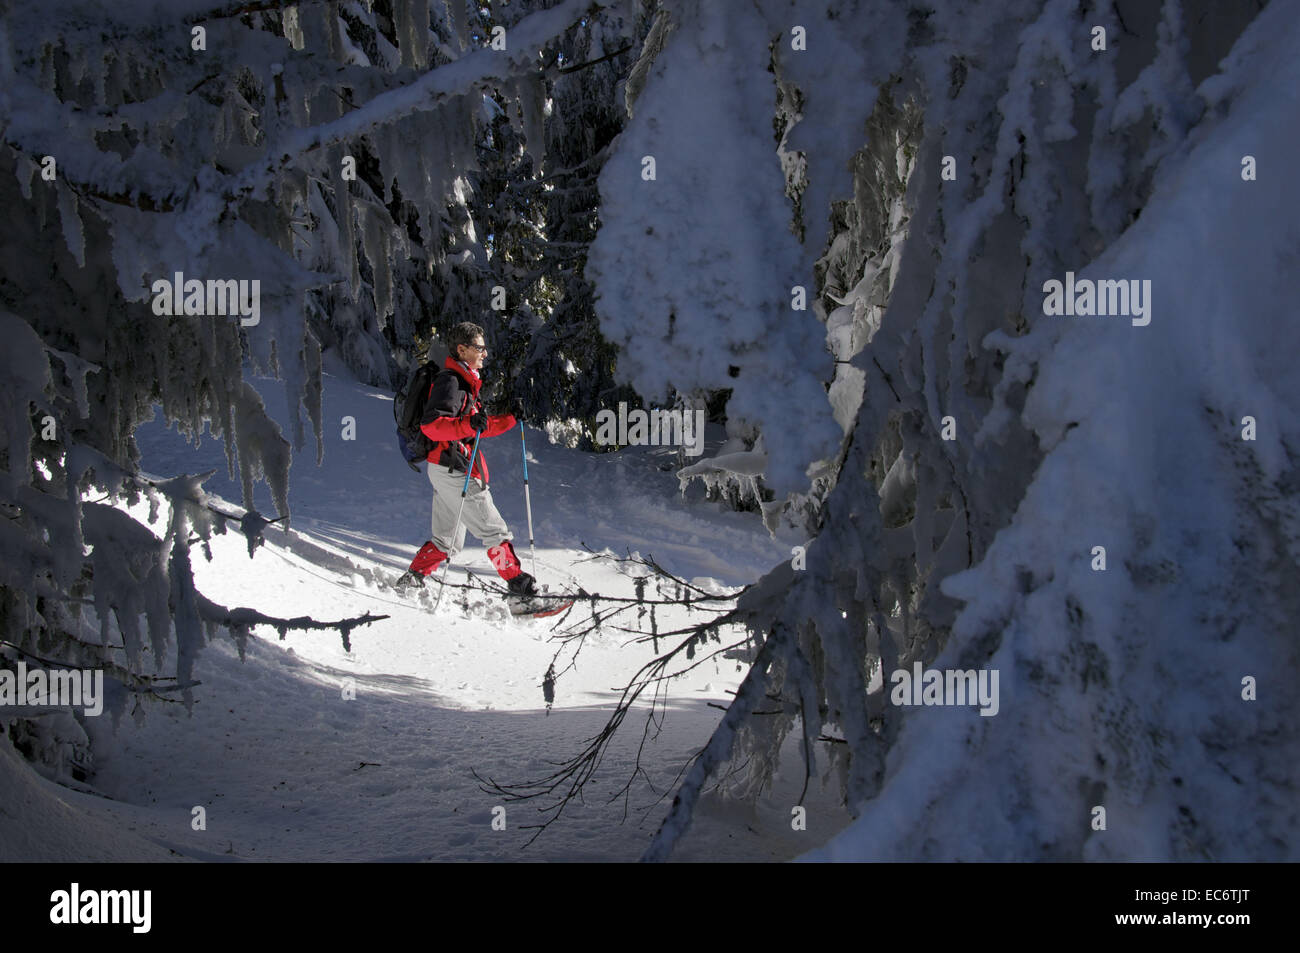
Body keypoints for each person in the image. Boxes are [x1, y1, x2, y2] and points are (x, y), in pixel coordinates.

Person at [394, 322, 538, 599]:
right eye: (480, 348)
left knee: (446, 541)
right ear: (462, 349)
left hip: (447, 467)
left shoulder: (465, 382)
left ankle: (411, 581)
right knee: (495, 531)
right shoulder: (451, 381)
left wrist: (510, 418)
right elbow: (432, 425)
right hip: (454, 469)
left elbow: (478, 426)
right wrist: (468, 424)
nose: (485, 353)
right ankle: (520, 591)